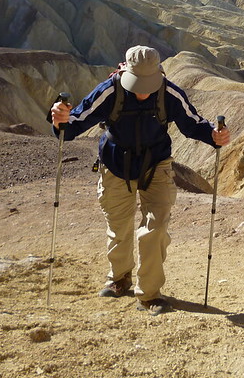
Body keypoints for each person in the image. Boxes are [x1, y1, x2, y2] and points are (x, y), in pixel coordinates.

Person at [50, 45, 230, 315]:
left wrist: (215, 136)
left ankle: (149, 295)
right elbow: (74, 123)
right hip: (115, 164)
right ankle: (119, 279)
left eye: (148, 84)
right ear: (125, 73)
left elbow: (193, 124)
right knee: (119, 226)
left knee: (155, 229)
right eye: (138, 85)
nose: (143, 91)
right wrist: (59, 119)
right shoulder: (110, 91)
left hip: (156, 165)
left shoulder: (169, 93)